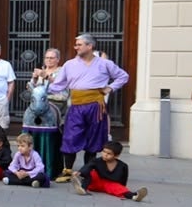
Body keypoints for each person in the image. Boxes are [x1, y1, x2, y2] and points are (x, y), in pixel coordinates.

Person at [42, 33, 129, 182]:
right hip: (76, 106)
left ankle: (87, 171)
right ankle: (68, 171)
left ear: (90, 46)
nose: (76, 47)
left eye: (79, 44)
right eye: (75, 44)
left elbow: (123, 76)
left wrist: (110, 88)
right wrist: (41, 90)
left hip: (96, 106)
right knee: (70, 137)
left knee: (93, 139)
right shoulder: (69, 64)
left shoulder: (104, 64)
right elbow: (59, 85)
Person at [25, 48, 66, 176]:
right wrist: (34, 79)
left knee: (54, 136)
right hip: (38, 106)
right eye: (47, 58)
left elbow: (63, 89)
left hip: (55, 103)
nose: (49, 60)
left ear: (58, 60)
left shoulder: (61, 72)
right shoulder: (40, 70)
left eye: (52, 58)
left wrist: (47, 77)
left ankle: (52, 168)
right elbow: (31, 89)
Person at [70, 140, 148, 201]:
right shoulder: (97, 161)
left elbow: (123, 180)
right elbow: (88, 166)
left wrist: (121, 188)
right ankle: (82, 188)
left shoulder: (123, 166)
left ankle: (135, 196)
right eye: (104, 152)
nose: (105, 155)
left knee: (118, 188)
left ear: (116, 156)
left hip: (109, 185)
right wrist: (79, 172)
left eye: (109, 153)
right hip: (95, 183)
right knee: (91, 172)